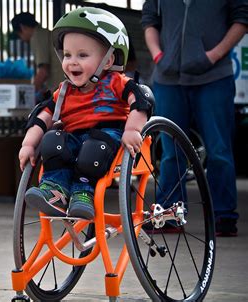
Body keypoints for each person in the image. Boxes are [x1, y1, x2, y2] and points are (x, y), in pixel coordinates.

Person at [18, 7, 154, 219]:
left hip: (108, 138)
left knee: (92, 148)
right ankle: (56, 189)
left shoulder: (117, 83)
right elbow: (42, 116)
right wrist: (28, 144)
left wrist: (133, 129)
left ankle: (83, 193)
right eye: (68, 55)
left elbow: (141, 101)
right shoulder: (64, 91)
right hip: (76, 138)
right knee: (52, 139)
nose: (72, 61)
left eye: (82, 55)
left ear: (108, 61)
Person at [142, 0, 247, 236]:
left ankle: (224, 216)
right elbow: (149, 19)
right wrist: (159, 56)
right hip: (168, 78)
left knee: (219, 150)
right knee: (171, 152)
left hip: (214, 76)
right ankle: (170, 215)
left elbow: (242, 18)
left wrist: (213, 55)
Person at [10, 12, 65, 102]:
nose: (21, 39)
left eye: (19, 35)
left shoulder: (37, 37)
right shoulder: (46, 33)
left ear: (22, 27)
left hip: (59, 91)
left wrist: (29, 94)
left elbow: (43, 71)